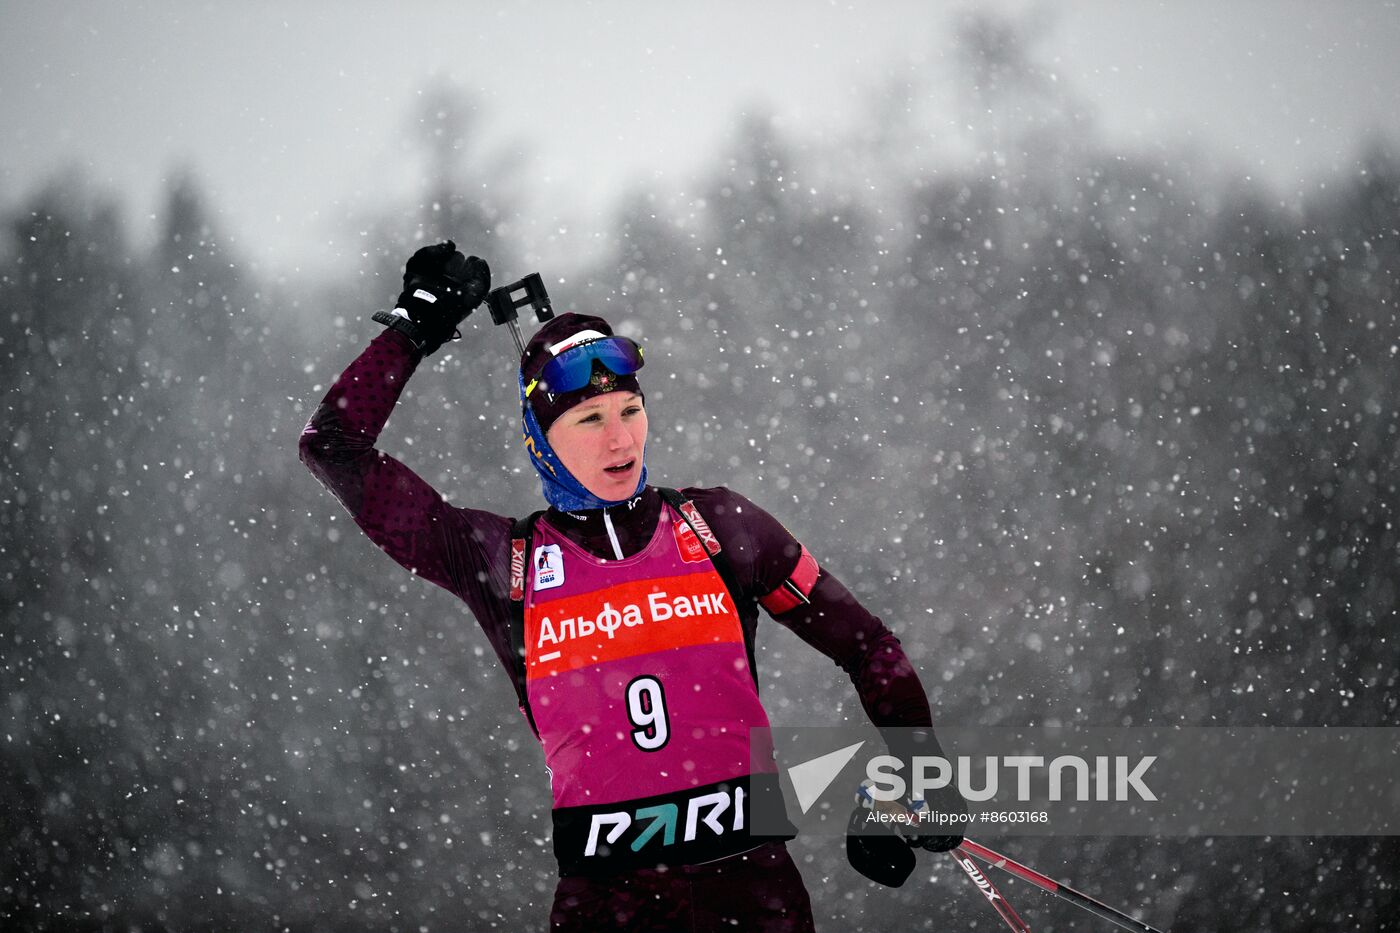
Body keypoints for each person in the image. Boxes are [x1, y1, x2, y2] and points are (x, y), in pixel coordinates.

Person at [299, 242, 962, 931]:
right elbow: (331, 444)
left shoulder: (718, 527)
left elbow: (868, 645)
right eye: (589, 420)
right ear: (541, 440)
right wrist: (412, 332)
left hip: (754, 898)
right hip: (606, 907)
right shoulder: (504, 561)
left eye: (629, 411)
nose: (620, 440)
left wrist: (920, 776)